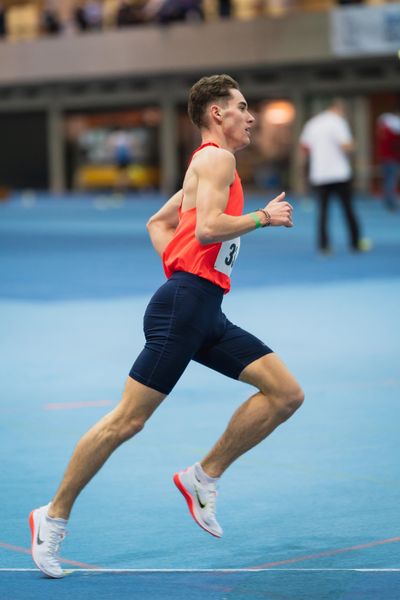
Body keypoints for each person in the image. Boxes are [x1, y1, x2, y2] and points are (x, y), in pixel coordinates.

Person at [29, 74, 304, 578]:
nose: (250, 116)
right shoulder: (217, 158)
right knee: (126, 421)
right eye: (242, 107)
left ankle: (203, 476)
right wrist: (264, 217)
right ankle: (52, 514)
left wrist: (182, 267)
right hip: (184, 308)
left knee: (285, 394)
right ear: (216, 113)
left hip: (203, 307)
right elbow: (207, 228)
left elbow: (159, 225)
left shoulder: (203, 167)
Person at [300, 98, 369, 254]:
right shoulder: (338, 122)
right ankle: (356, 243)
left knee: (323, 212)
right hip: (339, 174)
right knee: (348, 209)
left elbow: (304, 147)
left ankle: (324, 246)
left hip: (319, 174)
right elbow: (346, 146)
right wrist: (354, 145)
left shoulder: (313, 123)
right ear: (339, 108)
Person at [376, 109, 400, 212]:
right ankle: (390, 201)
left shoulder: (383, 131)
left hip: (386, 158)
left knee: (388, 180)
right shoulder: (392, 133)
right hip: (391, 159)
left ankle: (388, 201)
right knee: (390, 180)